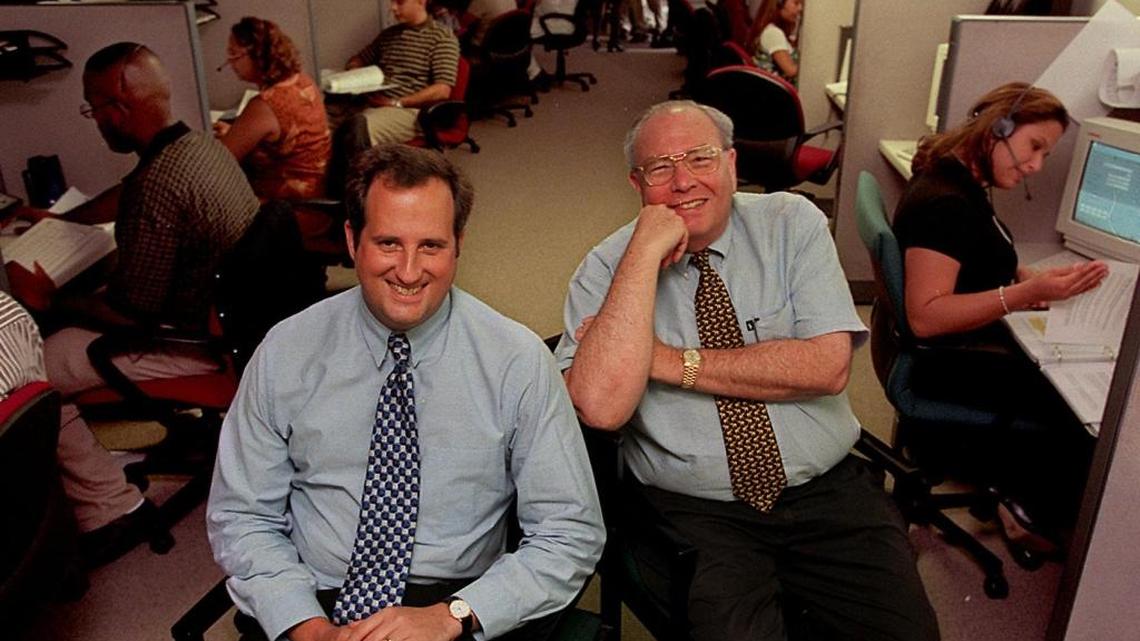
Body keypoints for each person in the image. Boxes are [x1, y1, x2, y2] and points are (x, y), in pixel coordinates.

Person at [556, 100, 939, 641]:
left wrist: (661, 359)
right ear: (636, 184)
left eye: (701, 158)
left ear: (732, 164)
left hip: (827, 490)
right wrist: (640, 255)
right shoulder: (605, 266)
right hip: (698, 510)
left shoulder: (791, 224)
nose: (683, 182)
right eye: (660, 169)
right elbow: (597, 406)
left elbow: (828, 367)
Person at [208, 144, 605, 641]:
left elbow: (569, 532)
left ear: (458, 244)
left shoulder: (517, 361)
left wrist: (453, 615)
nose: (410, 271)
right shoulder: (285, 351)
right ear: (352, 240)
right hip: (316, 593)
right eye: (389, 243)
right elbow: (243, 515)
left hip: (455, 601)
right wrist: (307, 627)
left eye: (431, 246)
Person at [32, 42, 258, 563]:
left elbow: (132, 313)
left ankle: (110, 507)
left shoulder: (158, 183)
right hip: (243, 326)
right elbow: (130, 191)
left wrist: (53, 298)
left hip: (197, 345)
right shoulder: (199, 148)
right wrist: (61, 222)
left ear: (118, 107)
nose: (95, 121)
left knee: (30, 371)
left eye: (93, 109)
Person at [893, 82, 1107, 552]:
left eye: (1046, 155)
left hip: (956, 350)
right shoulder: (946, 203)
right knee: (1085, 403)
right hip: (946, 365)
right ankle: (1027, 508)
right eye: (1035, 147)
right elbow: (926, 316)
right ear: (999, 128)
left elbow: (973, 255)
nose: (1035, 165)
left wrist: (1024, 277)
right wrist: (1023, 293)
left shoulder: (958, 180)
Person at [215, 17, 332, 202]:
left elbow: (218, 162)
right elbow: (286, 140)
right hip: (317, 190)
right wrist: (235, 133)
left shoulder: (265, 105)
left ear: (257, 54)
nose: (230, 63)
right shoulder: (302, 81)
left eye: (234, 54)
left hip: (289, 206)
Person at [346, 0, 460, 146]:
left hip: (408, 110)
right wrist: (354, 69)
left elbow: (442, 90)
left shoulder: (442, 37)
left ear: (421, 2)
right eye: (392, 2)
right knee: (327, 121)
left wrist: (397, 102)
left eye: (400, 2)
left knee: (357, 129)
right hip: (373, 101)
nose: (393, 8)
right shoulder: (389, 35)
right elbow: (359, 59)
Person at [746, 0, 801, 83]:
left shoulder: (772, 30)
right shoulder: (773, 33)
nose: (800, 8)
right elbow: (791, 71)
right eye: (796, 3)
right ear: (779, 4)